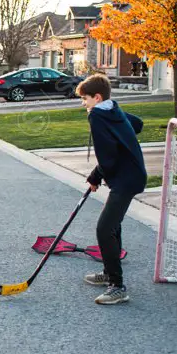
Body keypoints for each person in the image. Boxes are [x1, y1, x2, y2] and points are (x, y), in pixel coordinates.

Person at [75, 74, 146, 304]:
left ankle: (117, 286)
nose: (83, 104)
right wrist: (122, 136)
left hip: (126, 179)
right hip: (132, 175)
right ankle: (108, 273)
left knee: (104, 229)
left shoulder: (98, 115)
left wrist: (95, 176)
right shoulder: (112, 109)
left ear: (97, 97)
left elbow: (108, 159)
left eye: (85, 99)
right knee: (112, 225)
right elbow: (137, 124)